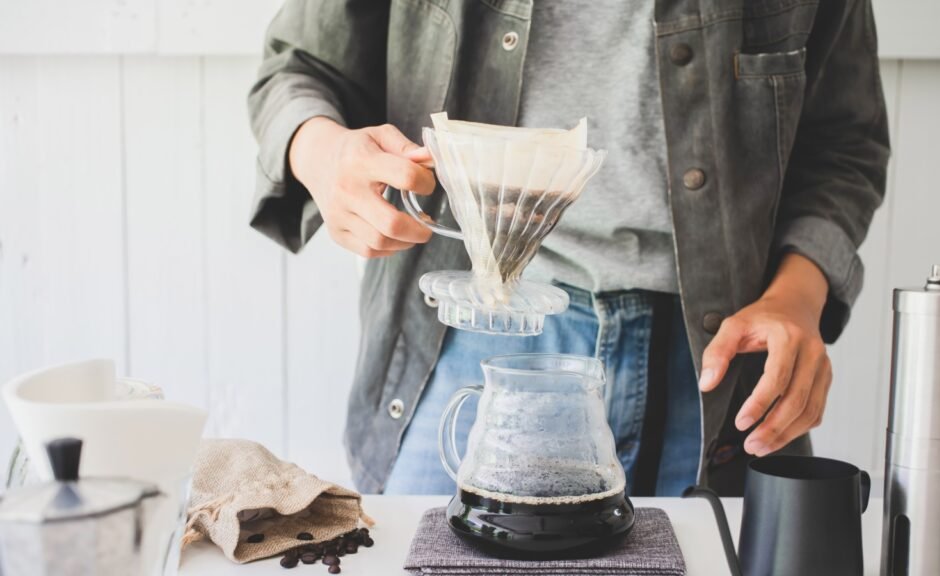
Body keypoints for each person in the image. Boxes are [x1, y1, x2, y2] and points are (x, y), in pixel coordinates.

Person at [248, 0, 889, 497]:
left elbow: (845, 143)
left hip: (716, 370)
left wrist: (797, 297)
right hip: (467, 342)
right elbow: (297, 71)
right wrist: (325, 153)